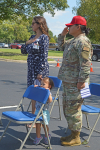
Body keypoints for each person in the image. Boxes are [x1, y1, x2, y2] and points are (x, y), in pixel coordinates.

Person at [57, 16, 93, 146]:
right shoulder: (73, 41)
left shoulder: (83, 42)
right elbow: (59, 46)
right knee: (68, 108)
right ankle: (72, 134)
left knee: (74, 109)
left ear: (78, 27)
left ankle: (76, 137)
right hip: (69, 81)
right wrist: (62, 35)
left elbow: (86, 63)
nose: (68, 27)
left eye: (70, 26)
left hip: (76, 83)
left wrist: (81, 81)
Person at [21, 16, 49, 125]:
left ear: (39, 24)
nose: (31, 25)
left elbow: (44, 55)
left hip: (39, 70)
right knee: (33, 93)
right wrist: (28, 42)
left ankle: (38, 119)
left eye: (33, 23)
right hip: (31, 69)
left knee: (38, 94)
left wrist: (40, 72)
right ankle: (33, 117)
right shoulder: (32, 37)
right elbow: (23, 51)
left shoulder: (44, 38)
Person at [33, 77, 54, 145]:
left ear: (49, 86)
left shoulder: (48, 92)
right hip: (38, 110)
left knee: (44, 125)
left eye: (43, 84)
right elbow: (37, 88)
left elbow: (50, 100)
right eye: (41, 84)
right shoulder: (41, 90)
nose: (41, 85)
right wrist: (37, 86)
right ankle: (38, 136)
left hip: (44, 112)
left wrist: (48, 93)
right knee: (38, 124)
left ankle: (47, 135)